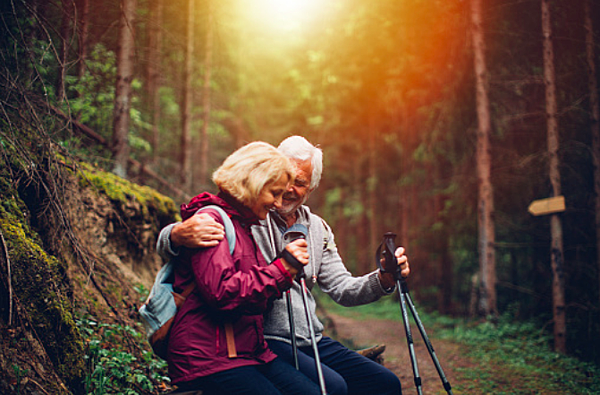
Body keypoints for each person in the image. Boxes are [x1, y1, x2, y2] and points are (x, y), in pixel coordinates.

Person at [158, 136, 410, 395]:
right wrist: (174, 234)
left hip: (310, 338)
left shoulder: (318, 229)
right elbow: (203, 229)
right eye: (283, 180)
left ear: (311, 187)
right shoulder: (253, 214)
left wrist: (383, 279)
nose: (287, 191)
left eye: (299, 183)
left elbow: (342, 288)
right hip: (267, 340)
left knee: (384, 383)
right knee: (334, 387)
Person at [166, 141, 321, 395]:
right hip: (208, 356)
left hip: (248, 350)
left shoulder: (243, 225)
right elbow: (222, 293)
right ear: (254, 184)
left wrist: (283, 273)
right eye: (275, 193)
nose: (278, 203)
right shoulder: (212, 222)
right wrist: (283, 268)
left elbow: (253, 292)